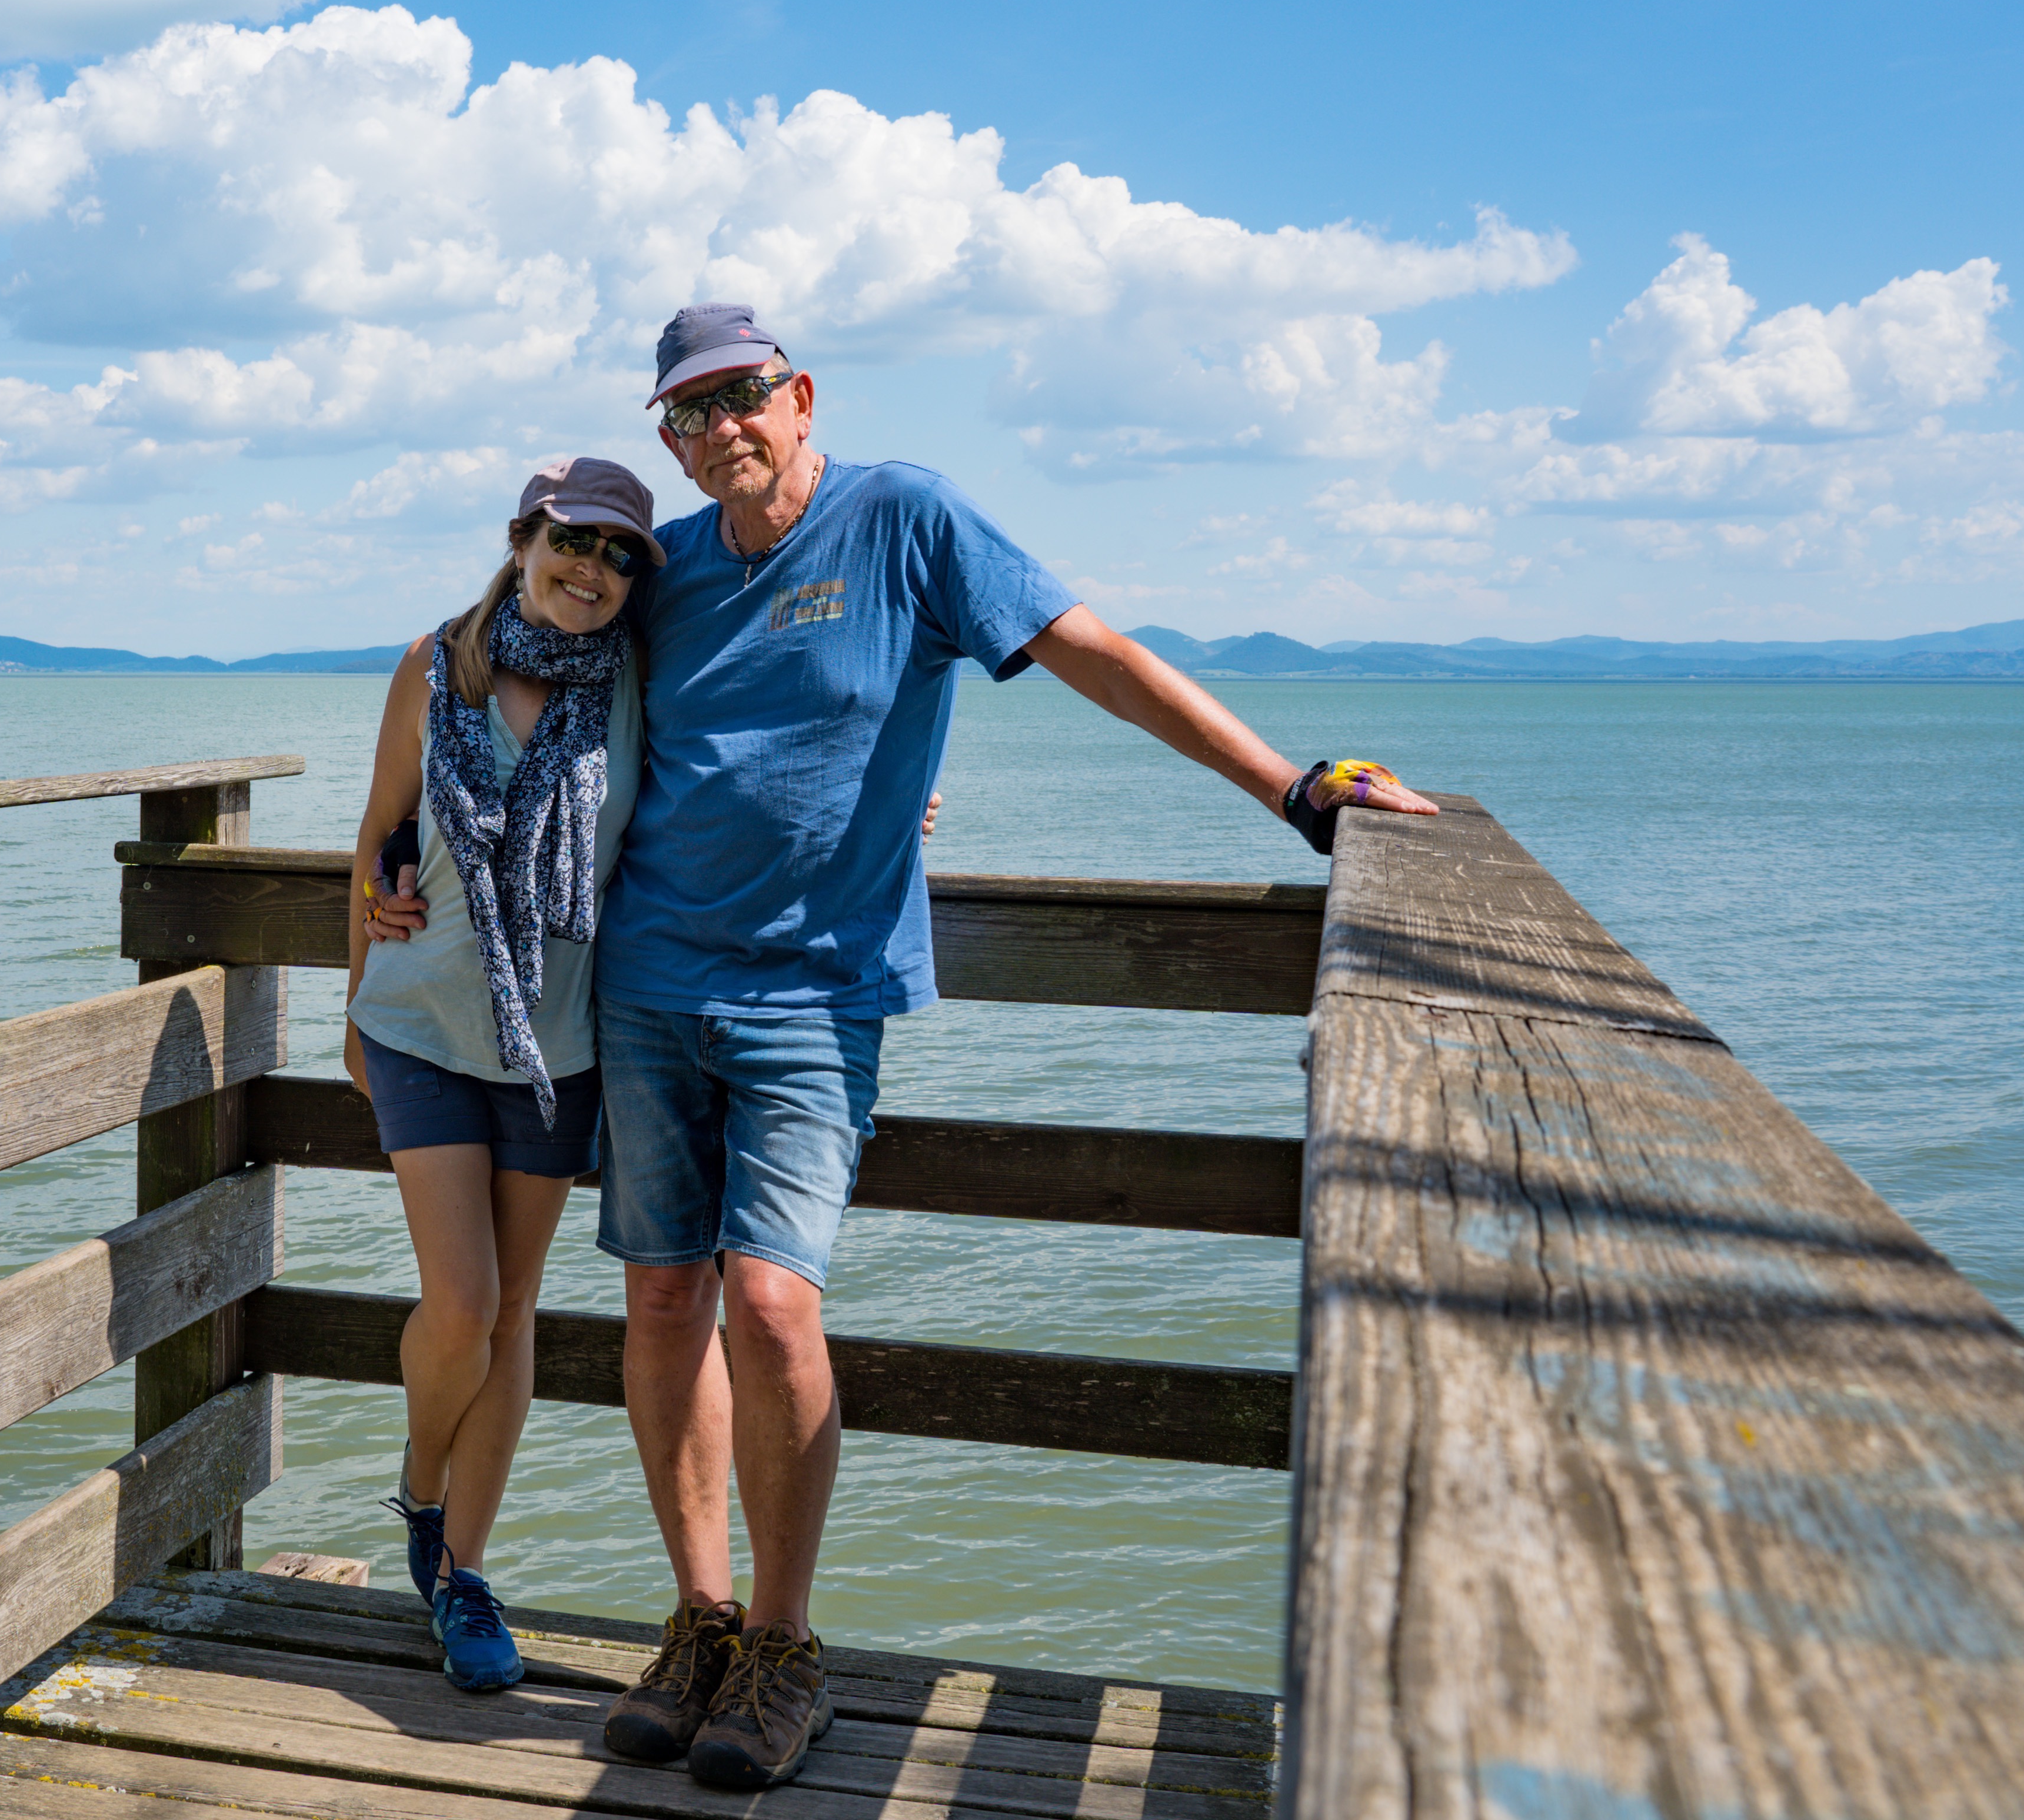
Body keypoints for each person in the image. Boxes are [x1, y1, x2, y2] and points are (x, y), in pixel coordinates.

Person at [368, 303, 1434, 1789]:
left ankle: (785, 1646)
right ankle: (700, 1622)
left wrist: (1287, 787)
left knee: (772, 1303)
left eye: (742, 396)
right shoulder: (666, 569)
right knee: (664, 1299)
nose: (719, 429)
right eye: (687, 414)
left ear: (800, 395)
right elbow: (541, 693)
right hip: (649, 984)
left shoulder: (906, 519)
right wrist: (393, 867)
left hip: (817, 996)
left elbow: (1092, 652)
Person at [342, 456, 663, 1693]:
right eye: (572, 542)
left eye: (619, 556)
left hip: (560, 1046)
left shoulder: (638, 681)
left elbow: (765, 751)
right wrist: (351, 999)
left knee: (514, 1311)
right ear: (523, 541)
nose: (591, 571)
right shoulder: (433, 665)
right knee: (463, 1302)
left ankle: (460, 1574)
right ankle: (421, 1485)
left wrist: (896, 795)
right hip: (419, 1024)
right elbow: (378, 832)